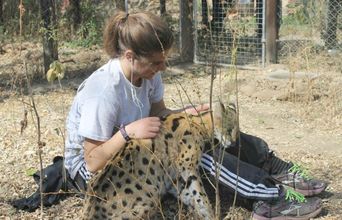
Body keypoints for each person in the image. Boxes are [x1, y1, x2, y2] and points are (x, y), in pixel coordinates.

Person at [12, 10, 326, 220]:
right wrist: (127, 132)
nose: (163, 68)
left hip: (139, 149)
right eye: (157, 62)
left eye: (164, 61)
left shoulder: (147, 74)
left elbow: (163, 115)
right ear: (130, 57)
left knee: (212, 126)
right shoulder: (103, 91)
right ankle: (270, 198)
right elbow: (92, 161)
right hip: (96, 171)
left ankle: (275, 166)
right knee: (198, 157)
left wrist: (193, 115)